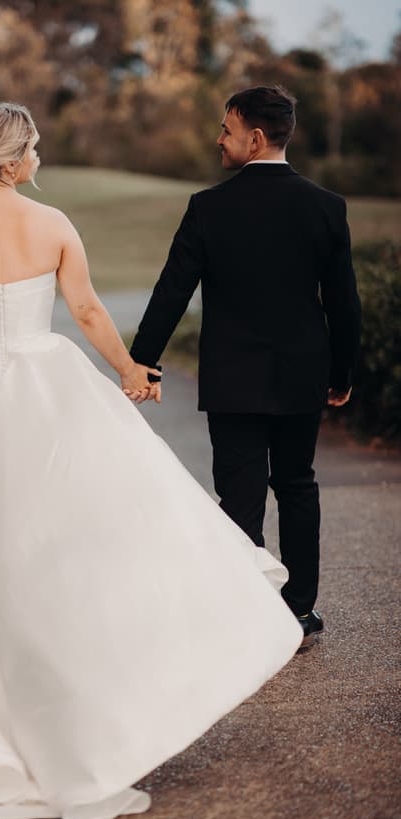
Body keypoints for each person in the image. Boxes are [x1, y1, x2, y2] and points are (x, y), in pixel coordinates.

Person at [0, 102, 302, 819]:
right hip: (48, 382)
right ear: (12, 162)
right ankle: (82, 673)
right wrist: (130, 372)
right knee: (67, 529)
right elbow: (87, 310)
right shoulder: (53, 225)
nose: (39, 156)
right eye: (34, 147)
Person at [130, 86, 362, 649]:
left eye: (226, 130)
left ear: (255, 138)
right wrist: (343, 373)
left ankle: (246, 611)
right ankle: (300, 612)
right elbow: (344, 301)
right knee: (298, 485)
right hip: (302, 373)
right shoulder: (326, 207)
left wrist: (143, 360)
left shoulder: (208, 208)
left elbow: (171, 293)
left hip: (233, 376)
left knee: (239, 494)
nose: (219, 139)